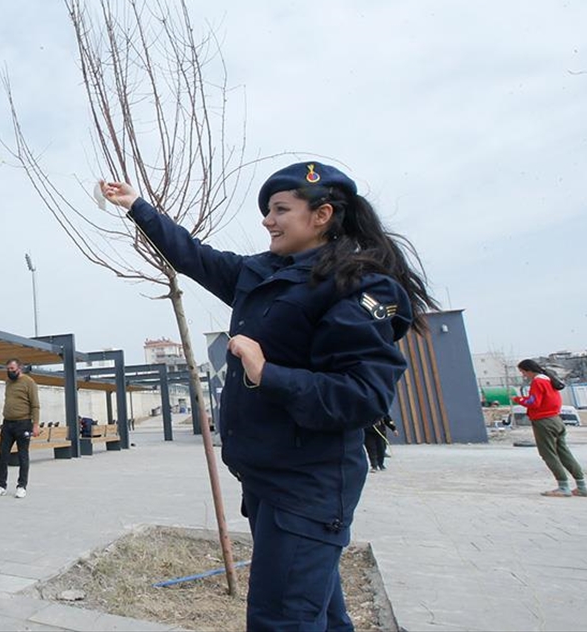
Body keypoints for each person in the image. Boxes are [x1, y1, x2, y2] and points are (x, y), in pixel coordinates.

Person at [103, 160, 436, 631]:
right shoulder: (259, 273)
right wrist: (137, 206)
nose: (267, 220)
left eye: (280, 209)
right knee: (319, 613)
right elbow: (192, 255)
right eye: (267, 210)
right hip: (267, 478)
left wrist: (267, 372)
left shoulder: (356, 285)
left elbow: (364, 395)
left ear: (321, 215)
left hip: (307, 485)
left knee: (282, 620)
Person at [512, 359, 587, 497]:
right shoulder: (549, 380)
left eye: (523, 372)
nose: (523, 375)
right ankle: (581, 485)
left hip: (544, 421)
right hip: (556, 419)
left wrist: (518, 400)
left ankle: (563, 486)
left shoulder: (537, 382)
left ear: (528, 370)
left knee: (548, 454)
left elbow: (533, 402)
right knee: (564, 453)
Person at [0, 359, 40, 499]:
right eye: (8, 369)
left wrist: (35, 425)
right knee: (2, 455)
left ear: (20, 368)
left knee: (23, 455)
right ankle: (1, 485)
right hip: (7, 424)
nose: (10, 371)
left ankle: (21, 486)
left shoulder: (29, 382)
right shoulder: (8, 382)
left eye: (12, 368)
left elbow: (35, 405)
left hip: (23, 423)